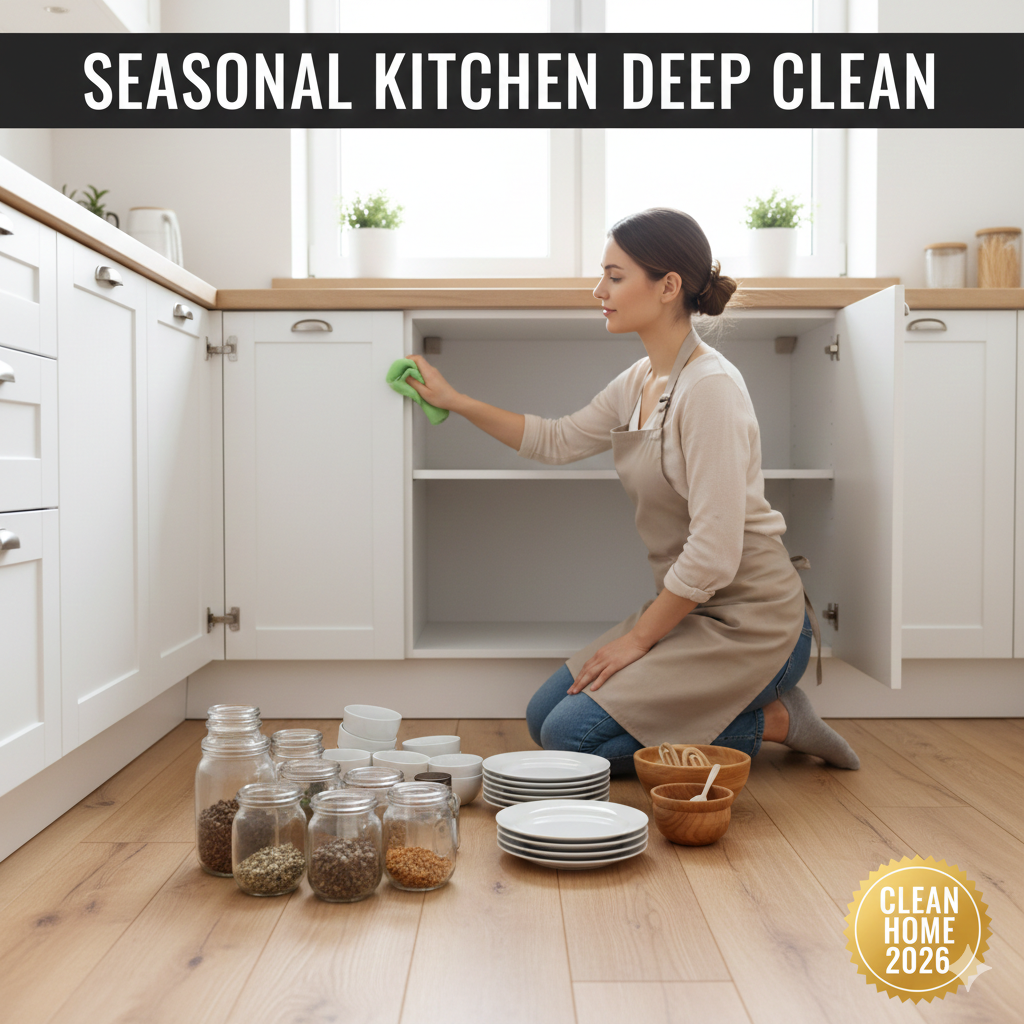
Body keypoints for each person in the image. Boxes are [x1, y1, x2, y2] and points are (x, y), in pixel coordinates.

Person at [403, 207, 860, 775]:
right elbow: (556, 440)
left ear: (668, 286)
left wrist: (638, 641)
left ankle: (777, 720)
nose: (599, 291)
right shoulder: (641, 379)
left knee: (570, 738)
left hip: (756, 623)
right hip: (691, 610)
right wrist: (454, 401)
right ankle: (748, 715)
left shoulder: (711, 389)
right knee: (542, 716)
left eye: (615, 277)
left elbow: (715, 552)